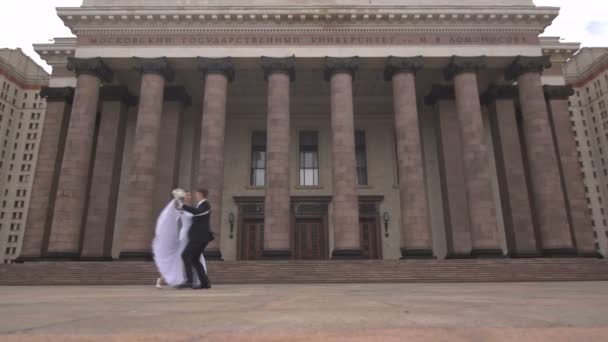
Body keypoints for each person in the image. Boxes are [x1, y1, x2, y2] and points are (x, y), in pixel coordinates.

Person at [153, 190, 207, 289]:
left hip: (192, 236)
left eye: (189, 194)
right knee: (180, 257)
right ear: (183, 196)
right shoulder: (180, 207)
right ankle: (162, 279)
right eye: (186, 194)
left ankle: (196, 280)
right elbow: (171, 215)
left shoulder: (194, 208)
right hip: (184, 235)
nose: (189, 196)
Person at [176, 188, 213, 289]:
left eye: (196, 193)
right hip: (197, 237)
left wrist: (183, 205)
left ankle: (190, 281)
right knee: (194, 259)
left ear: (200, 194)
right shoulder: (201, 205)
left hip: (199, 238)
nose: (195, 195)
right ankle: (204, 283)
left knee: (186, 255)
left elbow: (197, 212)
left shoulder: (205, 205)